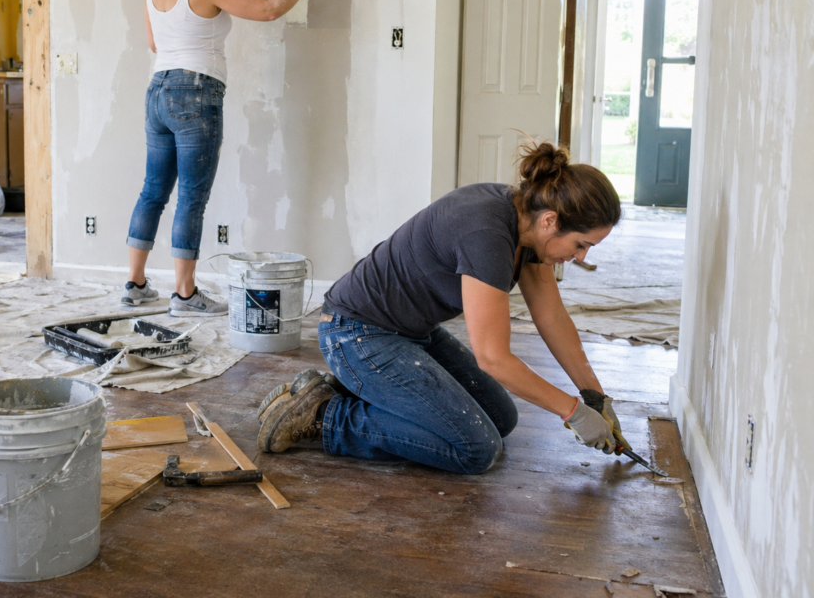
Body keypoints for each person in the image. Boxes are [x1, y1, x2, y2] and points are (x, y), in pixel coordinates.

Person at [257, 141, 631, 474]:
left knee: (501, 418)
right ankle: (326, 417)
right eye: (582, 244)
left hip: (410, 333)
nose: (580, 257)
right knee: (475, 449)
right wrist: (573, 413)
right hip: (355, 333)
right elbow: (494, 359)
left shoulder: (529, 227)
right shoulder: (486, 233)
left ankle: (350, 391)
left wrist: (595, 398)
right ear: (552, 221)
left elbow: (552, 317)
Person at [123, 0, 338, 315]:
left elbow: (154, 43)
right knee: (191, 197)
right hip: (195, 92)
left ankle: (134, 284)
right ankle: (185, 294)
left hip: (157, 91)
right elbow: (268, 9)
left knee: (153, 191)